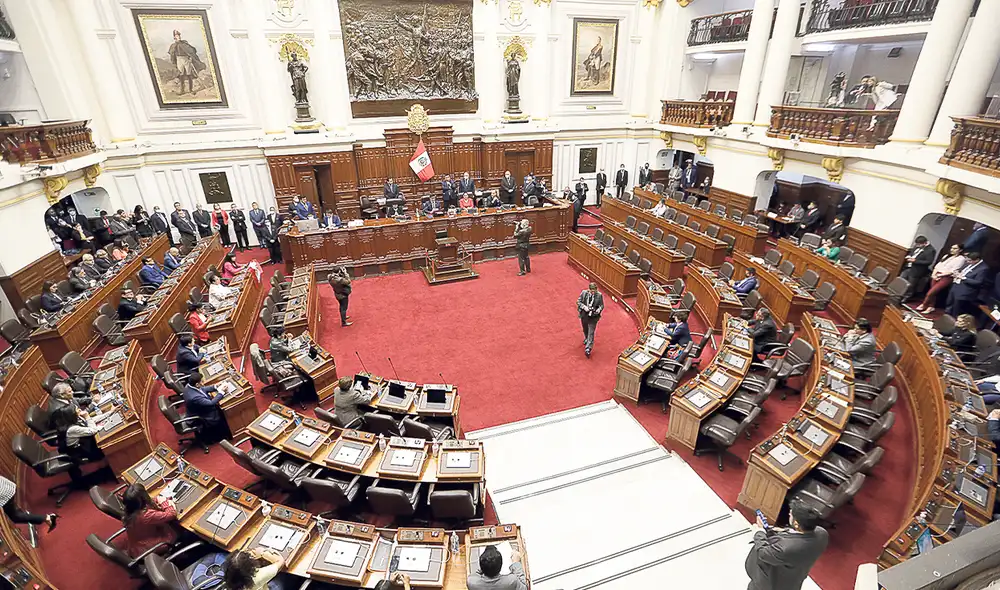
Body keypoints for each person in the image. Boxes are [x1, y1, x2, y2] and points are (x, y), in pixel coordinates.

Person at [745, 498, 828, 590]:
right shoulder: (822, 533)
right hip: (793, 579)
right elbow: (796, 534)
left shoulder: (786, 549)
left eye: (791, 514)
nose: (789, 514)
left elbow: (763, 553)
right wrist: (779, 531)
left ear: (796, 524)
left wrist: (759, 531)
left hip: (771, 584)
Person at [122, 483, 177, 557]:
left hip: (136, 546)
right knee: (177, 528)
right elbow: (172, 514)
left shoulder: (129, 510)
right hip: (148, 547)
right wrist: (164, 502)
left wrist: (157, 499)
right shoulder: (146, 515)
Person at [917, 244, 966, 313]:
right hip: (937, 274)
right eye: (952, 248)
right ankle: (931, 306)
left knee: (931, 293)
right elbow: (938, 266)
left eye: (955, 248)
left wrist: (940, 275)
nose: (952, 250)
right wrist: (934, 274)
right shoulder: (946, 256)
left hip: (946, 277)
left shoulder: (961, 259)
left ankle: (924, 304)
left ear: (960, 250)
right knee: (933, 292)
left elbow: (953, 270)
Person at [182, 371, 229, 444]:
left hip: (198, 409)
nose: (203, 383)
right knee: (222, 411)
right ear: (197, 384)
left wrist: (215, 387)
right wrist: (221, 392)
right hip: (200, 416)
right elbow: (211, 403)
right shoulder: (194, 397)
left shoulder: (189, 386)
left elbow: (202, 389)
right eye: (201, 382)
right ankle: (220, 437)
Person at [947, 251, 987, 318]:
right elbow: (962, 270)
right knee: (949, 305)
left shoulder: (983, 268)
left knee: (956, 310)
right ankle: (945, 320)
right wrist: (957, 272)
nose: (967, 262)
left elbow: (978, 282)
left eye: (969, 261)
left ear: (977, 260)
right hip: (956, 286)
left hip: (965, 291)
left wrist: (963, 278)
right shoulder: (968, 262)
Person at [900, 235, 936, 301]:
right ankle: (898, 294)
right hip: (908, 267)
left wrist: (915, 261)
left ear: (925, 243)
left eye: (919, 244)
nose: (917, 246)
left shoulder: (931, 250)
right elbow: (912, 252)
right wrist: (909, 256)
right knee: (901, 279)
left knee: (911, 285)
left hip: (917, 270)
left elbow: (929, 262)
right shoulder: (917, 246)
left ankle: (906, 298)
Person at [577, 282, 604, 358]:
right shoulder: (583, 293)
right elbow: (578, 302)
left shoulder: (599, 295)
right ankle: (586, 338)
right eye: (591, 291)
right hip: (584, 315)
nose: (593, 292)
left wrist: (599, 309)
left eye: (594, 290)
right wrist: (584, 307)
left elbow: (602, 305)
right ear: (588, 289)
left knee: (591, 332)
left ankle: (588, 348)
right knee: (585, 329)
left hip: (593, 316)